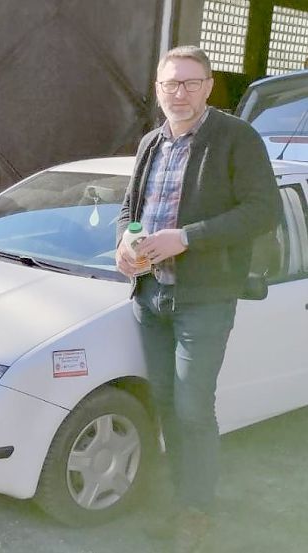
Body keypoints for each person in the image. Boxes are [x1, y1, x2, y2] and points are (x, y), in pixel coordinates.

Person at [115, 45, 281, 553]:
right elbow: (129, 210)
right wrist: (125, 242)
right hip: (150, 296)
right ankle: (177, 497)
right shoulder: (150, 143)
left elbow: (262, 211)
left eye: (190, 83)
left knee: (191, 407)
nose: (179, 93)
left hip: (204, 298)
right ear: (158, 88)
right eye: (170, 84)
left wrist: (186, 237)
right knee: (165, 402)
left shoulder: (235, 138)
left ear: (209, 86)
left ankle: (196, 510)